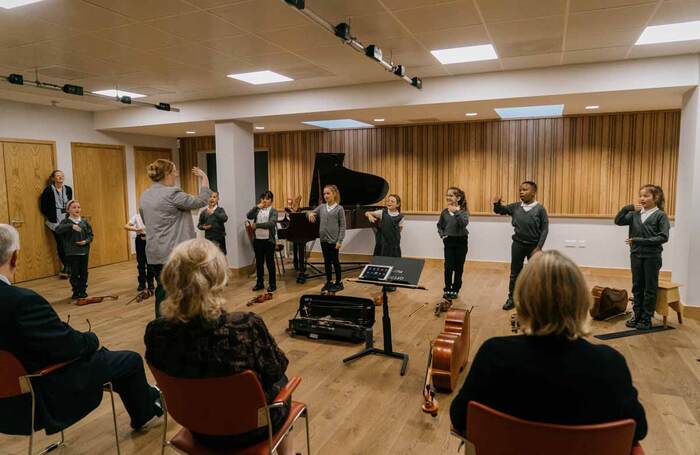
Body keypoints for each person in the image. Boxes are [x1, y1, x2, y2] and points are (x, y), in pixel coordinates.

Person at [449, 250, 647, 443]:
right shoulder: (611, 363)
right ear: (581, 301)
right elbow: (638, 429)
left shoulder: (493, 355)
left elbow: (459, 417)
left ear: (523, 299)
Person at [0, 224, 162, 435]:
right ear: (14, 257)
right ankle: (148, 407)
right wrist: (90, 339)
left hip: (8, 397)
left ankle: (151, 397)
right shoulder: (22, 302)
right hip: (39, 393)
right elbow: (67, 346)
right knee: (128, 360)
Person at [144, 239, 293, 454]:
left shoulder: (156, 331)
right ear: (220, 278)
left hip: (197, 425)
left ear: (170, 277)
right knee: (281, 381)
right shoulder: (246, 326)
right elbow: (276, 369)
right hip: (253, 428)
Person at [140, 159, 211, 318]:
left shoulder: (145, 195)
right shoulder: (173, 194)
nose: (177, 174)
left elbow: (146, 221)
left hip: (154, 253)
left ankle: (161, 326)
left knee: (162, 290)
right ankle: (178, 327)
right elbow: (200, 201)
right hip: (174, 253)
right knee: (182, 291)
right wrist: (204, 179)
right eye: (174, 171)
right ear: (167, 174)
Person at [614, 185, 670, 330]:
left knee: (649, 288)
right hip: (636, 256)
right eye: (641, 195)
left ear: (656, 198)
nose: (642, 198)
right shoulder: (634, 214)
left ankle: (646, 318)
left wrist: (639, 240)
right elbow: (618, 221)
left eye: (646, 196)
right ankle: (637, 315)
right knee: (637, 286)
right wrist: (627, 208)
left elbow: (663, 237)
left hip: (652, 257)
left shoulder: (661, 215)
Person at [493, 181, 549, 310]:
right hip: (518, 245)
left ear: (534, 192)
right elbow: (500, 210)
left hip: (534, 247)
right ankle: (512, 299)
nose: (521, 192)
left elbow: (545, 229)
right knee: (514, 274)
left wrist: (539, 247)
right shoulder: (516, 207)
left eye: (525, 190)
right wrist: (496, 203)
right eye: (520, 190)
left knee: (535, 274)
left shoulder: (540, 209)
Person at [307, 185, 345, 293]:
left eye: (328, 193)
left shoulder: (339, 209)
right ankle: (329, 281)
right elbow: (309, 213)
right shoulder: (322, 207)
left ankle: (338, 282)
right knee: (327, 261)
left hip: (334, 241)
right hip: (323, 240)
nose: (325, 196)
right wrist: (309, 213)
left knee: (335, 261)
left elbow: (343, 226)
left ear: (334, 194)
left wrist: (340, 240)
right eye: (324, 194)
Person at [55, 200, 93, 300]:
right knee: (74, 272)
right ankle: (76, 291)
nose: (77, 209)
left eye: (78, 207)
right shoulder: (66, 222)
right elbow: (58, 230)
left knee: (84, 272)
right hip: (72, 252)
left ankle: (83, 290)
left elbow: (90, 235)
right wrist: (71, 226)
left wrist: (85, 241)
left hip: (84, 251)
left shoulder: (84, 222)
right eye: (74, 207)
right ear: (68, 210)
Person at [367, 194, 404, 292]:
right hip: (384, 244)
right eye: (388, 201)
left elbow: (399, 230)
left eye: (392, 201)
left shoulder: (400, 217)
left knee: (394, 264)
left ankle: (392, 283)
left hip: (394, 244)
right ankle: (383, 282)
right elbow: (367, 212)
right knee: (384, 263)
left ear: (398, 204)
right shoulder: (382, 212)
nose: (389, 203)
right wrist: (370, 215)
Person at [437, 187, 469, 300]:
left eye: (451, 195)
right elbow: (439, 226)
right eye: (447, 195)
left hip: (461, 242)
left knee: (458, 267)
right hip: (449, 242)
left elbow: (463, 224)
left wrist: (456, 212)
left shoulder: (463, 211)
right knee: (448, 266)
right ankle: (447, 288)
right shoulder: (444, 212)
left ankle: (456, 289)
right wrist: (442, 235)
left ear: (458, 198)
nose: (448, 197)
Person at [39, 170, 73, 278]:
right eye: (58, 176)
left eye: (62, 176)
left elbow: (69, 203)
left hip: (66, 219)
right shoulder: (48, 190)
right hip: (55, 220)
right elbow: (43, 207)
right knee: (61, 243)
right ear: (53, 178)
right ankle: (67, 266)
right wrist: (51, 215)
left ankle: (70, 266)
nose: (60, 177)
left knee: (68, 243)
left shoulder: (68, 189)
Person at [246, 191, 278, 292]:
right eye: (263, 198)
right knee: (259, 263)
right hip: (258, 240)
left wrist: (257, 225)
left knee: (270, 263)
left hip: (269, 241)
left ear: (271, 201)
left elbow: (271, 224)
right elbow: (249, 215)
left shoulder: (273, 211)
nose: (265, 200)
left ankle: (272, 284)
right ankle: (260, 283)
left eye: (267, 199)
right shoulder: (257, 210)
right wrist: (257, 206)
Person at [124, 210, 155, 292]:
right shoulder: (136, 216)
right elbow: (126, 226)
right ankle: (142, 283)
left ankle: (150, 282)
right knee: (141, 262)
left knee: (150, 262)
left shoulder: (153, 215)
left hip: (150, 239)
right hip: (140, 240)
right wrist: (136, 228)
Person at [284, 195, 306, 281]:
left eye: (292, 201)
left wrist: (295, 208)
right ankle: (297, 265)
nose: (290, 202)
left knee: (298, 244)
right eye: (289, 201)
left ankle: (300, 267)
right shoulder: (288, 210)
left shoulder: (299, 210)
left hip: (299, 231)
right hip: (294, 231)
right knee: (295, 244)